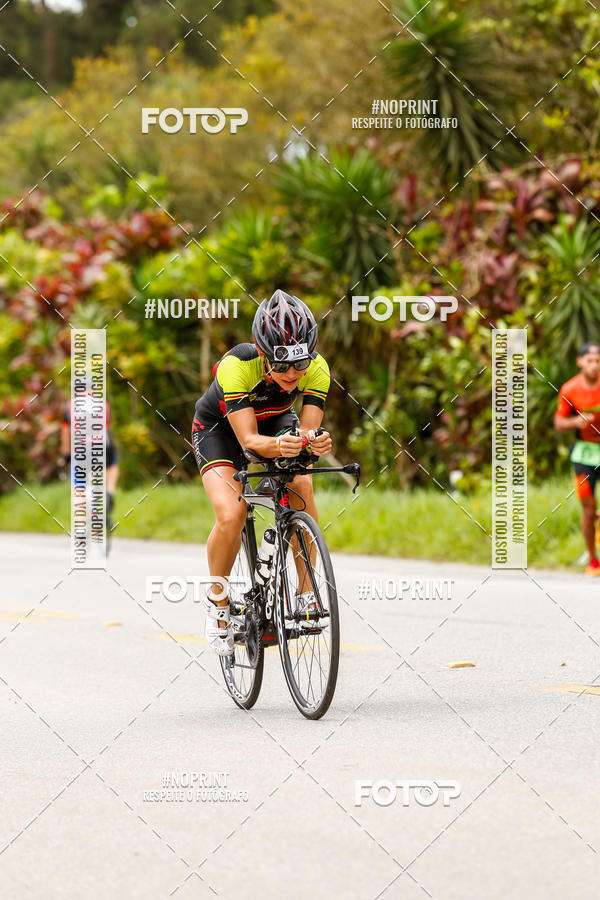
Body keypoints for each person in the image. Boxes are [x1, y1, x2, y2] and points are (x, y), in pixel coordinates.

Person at [192, 290, 332, 655]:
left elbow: (306, 432)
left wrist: (313, 442)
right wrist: (285, 446)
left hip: (276, 423)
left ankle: (305, 592)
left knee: (301, 482)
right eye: (281, 365)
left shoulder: (317, 369)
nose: (292, 374)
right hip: (221, 431)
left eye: (299, 364)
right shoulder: (236, 366)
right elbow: (250, 442)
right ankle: (218, 602)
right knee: (232, 513)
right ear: (262, 352)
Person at [555, 342, 600, 575]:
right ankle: (593, 560)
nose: (594, 365)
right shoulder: (569, 389)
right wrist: (576, 421)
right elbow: (559, 422)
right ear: (580, 362)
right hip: (583, 453)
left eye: (598, 361)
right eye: (590, 360)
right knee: (589, 510)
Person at [60, 396, 119, 535]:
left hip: (81, 448)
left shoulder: (69, 406)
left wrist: (66, 456)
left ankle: (80, 527)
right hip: (103, 446)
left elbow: (66, 434)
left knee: (78, 486)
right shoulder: (103, 405)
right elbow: (107, 429)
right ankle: (108, 494)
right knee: (109, 468)